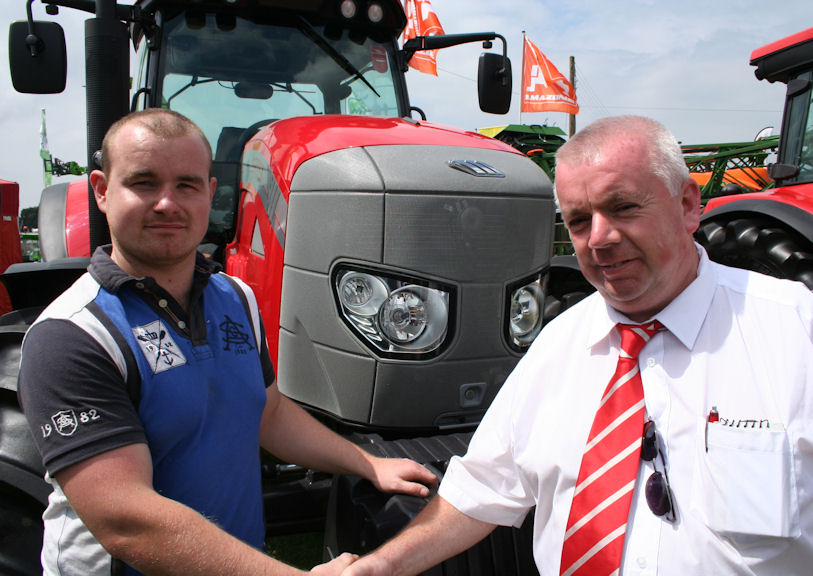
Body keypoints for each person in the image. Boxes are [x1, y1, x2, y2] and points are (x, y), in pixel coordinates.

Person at [342, 115, 813, 575]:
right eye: (579, 220)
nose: (600, 238)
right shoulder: (558, 345)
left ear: (689, 204)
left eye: (624, 207)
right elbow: (485, 487)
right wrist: (381, 566)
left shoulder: (795, 330)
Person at [17, 108, 436, 576]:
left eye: (186, 185)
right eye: (144, 182)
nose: (167, 204)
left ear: (210, 195)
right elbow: (126, 521)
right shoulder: (72, 335)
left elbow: (269, 413)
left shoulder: (235, 298)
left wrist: (365, 463)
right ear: (100, 190)